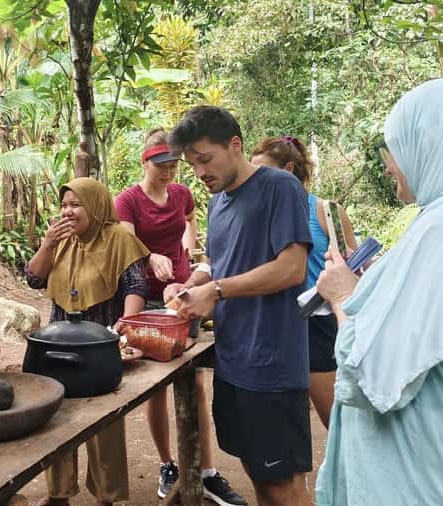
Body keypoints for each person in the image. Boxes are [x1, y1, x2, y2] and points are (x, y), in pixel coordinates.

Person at [314, 79, 443, 505]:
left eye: (395, 149)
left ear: (435, 144)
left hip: (430, 482)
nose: (388, 165)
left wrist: (342, 296)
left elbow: (371, 378)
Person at [166, 106, 313, 506]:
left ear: (235, 145)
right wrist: (190, 286)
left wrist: (215, 291)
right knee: (259, 478)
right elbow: (220, 263)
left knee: (285, 487)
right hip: (234, 364)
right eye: (192, 164)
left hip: (272, 366)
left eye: (206, 159)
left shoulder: (279, 187)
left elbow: (292, 267)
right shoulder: (218, 201)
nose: (200, 172)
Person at [115, 128, 245, 505]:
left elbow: (190, 221)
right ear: (145, 162)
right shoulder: (128, 200)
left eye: (173, 164)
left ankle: (205, 470)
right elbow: (125, 243)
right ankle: (167, 463)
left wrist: (186, 250)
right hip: (146, 298)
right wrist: (149, 254)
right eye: (162, 165)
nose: (169, 171)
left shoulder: (182, 194)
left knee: (194, 380)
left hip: (184, 292)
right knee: (155, 384)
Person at [26, 177, 150, 506]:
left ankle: (106, 495)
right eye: (63, 205)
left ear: (95, 206)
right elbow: (34, 278)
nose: (67, 211)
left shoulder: (120, 237)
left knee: (105, 421)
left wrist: (125, 328)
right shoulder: (60, 239)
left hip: (100, 346)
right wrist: (48, 244)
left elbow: (136, 286)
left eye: (76, 204)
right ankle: (59, 493)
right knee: (56, 417)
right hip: (58, 346)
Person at [250, 135, 357, 429]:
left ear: (287, 169)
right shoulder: (259, 214)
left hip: (317, 323)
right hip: (276, 323)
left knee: (337, 419)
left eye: (262, 171)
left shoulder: (325, 211)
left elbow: (353, 265)